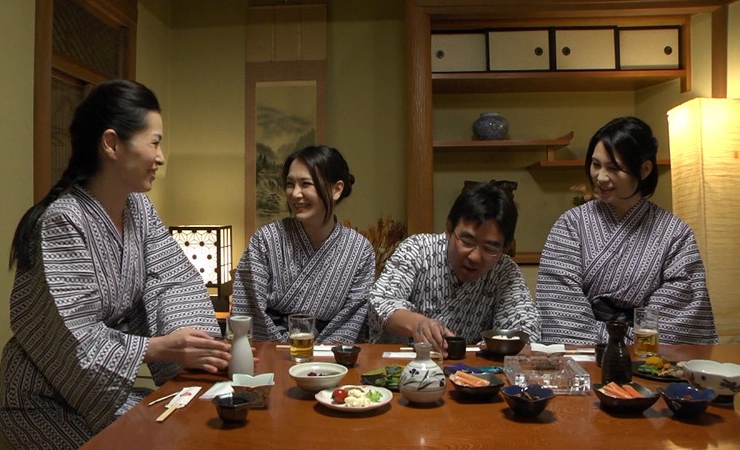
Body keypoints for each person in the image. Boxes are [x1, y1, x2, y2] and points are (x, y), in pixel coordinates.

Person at [0, 80, 231, 449]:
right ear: (112, 144)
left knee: (192, 427)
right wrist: (160, 348)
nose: (161, 157)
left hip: (102, 393)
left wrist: (197, 349)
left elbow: (173, 281)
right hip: (44, 400)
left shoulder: (139, 208)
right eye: (154, 142)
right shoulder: (63, 221)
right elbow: (76, 338)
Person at [536, 116, 718, 345]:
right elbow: (561, 307)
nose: (601, 177)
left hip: (648, 358)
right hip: (584, 354)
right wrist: (623, 339)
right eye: (596, 164)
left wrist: (623, 342)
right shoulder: (571, 224)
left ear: (644, 169)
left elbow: (678, 315)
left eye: (614, 168)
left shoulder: (675, 234)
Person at [368, 182, 541, 355]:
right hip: (406, 363)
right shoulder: (417, 249)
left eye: (490, 248)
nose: (474, 257)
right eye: (467, 241)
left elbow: (525, 327)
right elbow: (380, 301)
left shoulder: (504, 270)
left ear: (505, 246)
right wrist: (418, 324)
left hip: (474, 366)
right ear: (449, 229)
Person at [232, 145, 374, 344]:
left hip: (330, 354)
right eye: (290, 184)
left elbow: (353, 317)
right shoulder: (265, 239)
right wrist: (283, 350)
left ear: (336, 189)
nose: (295, 194)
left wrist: (319, 352)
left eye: (306, 184)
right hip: (268, 349)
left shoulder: (359, 250)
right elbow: (249, 306)